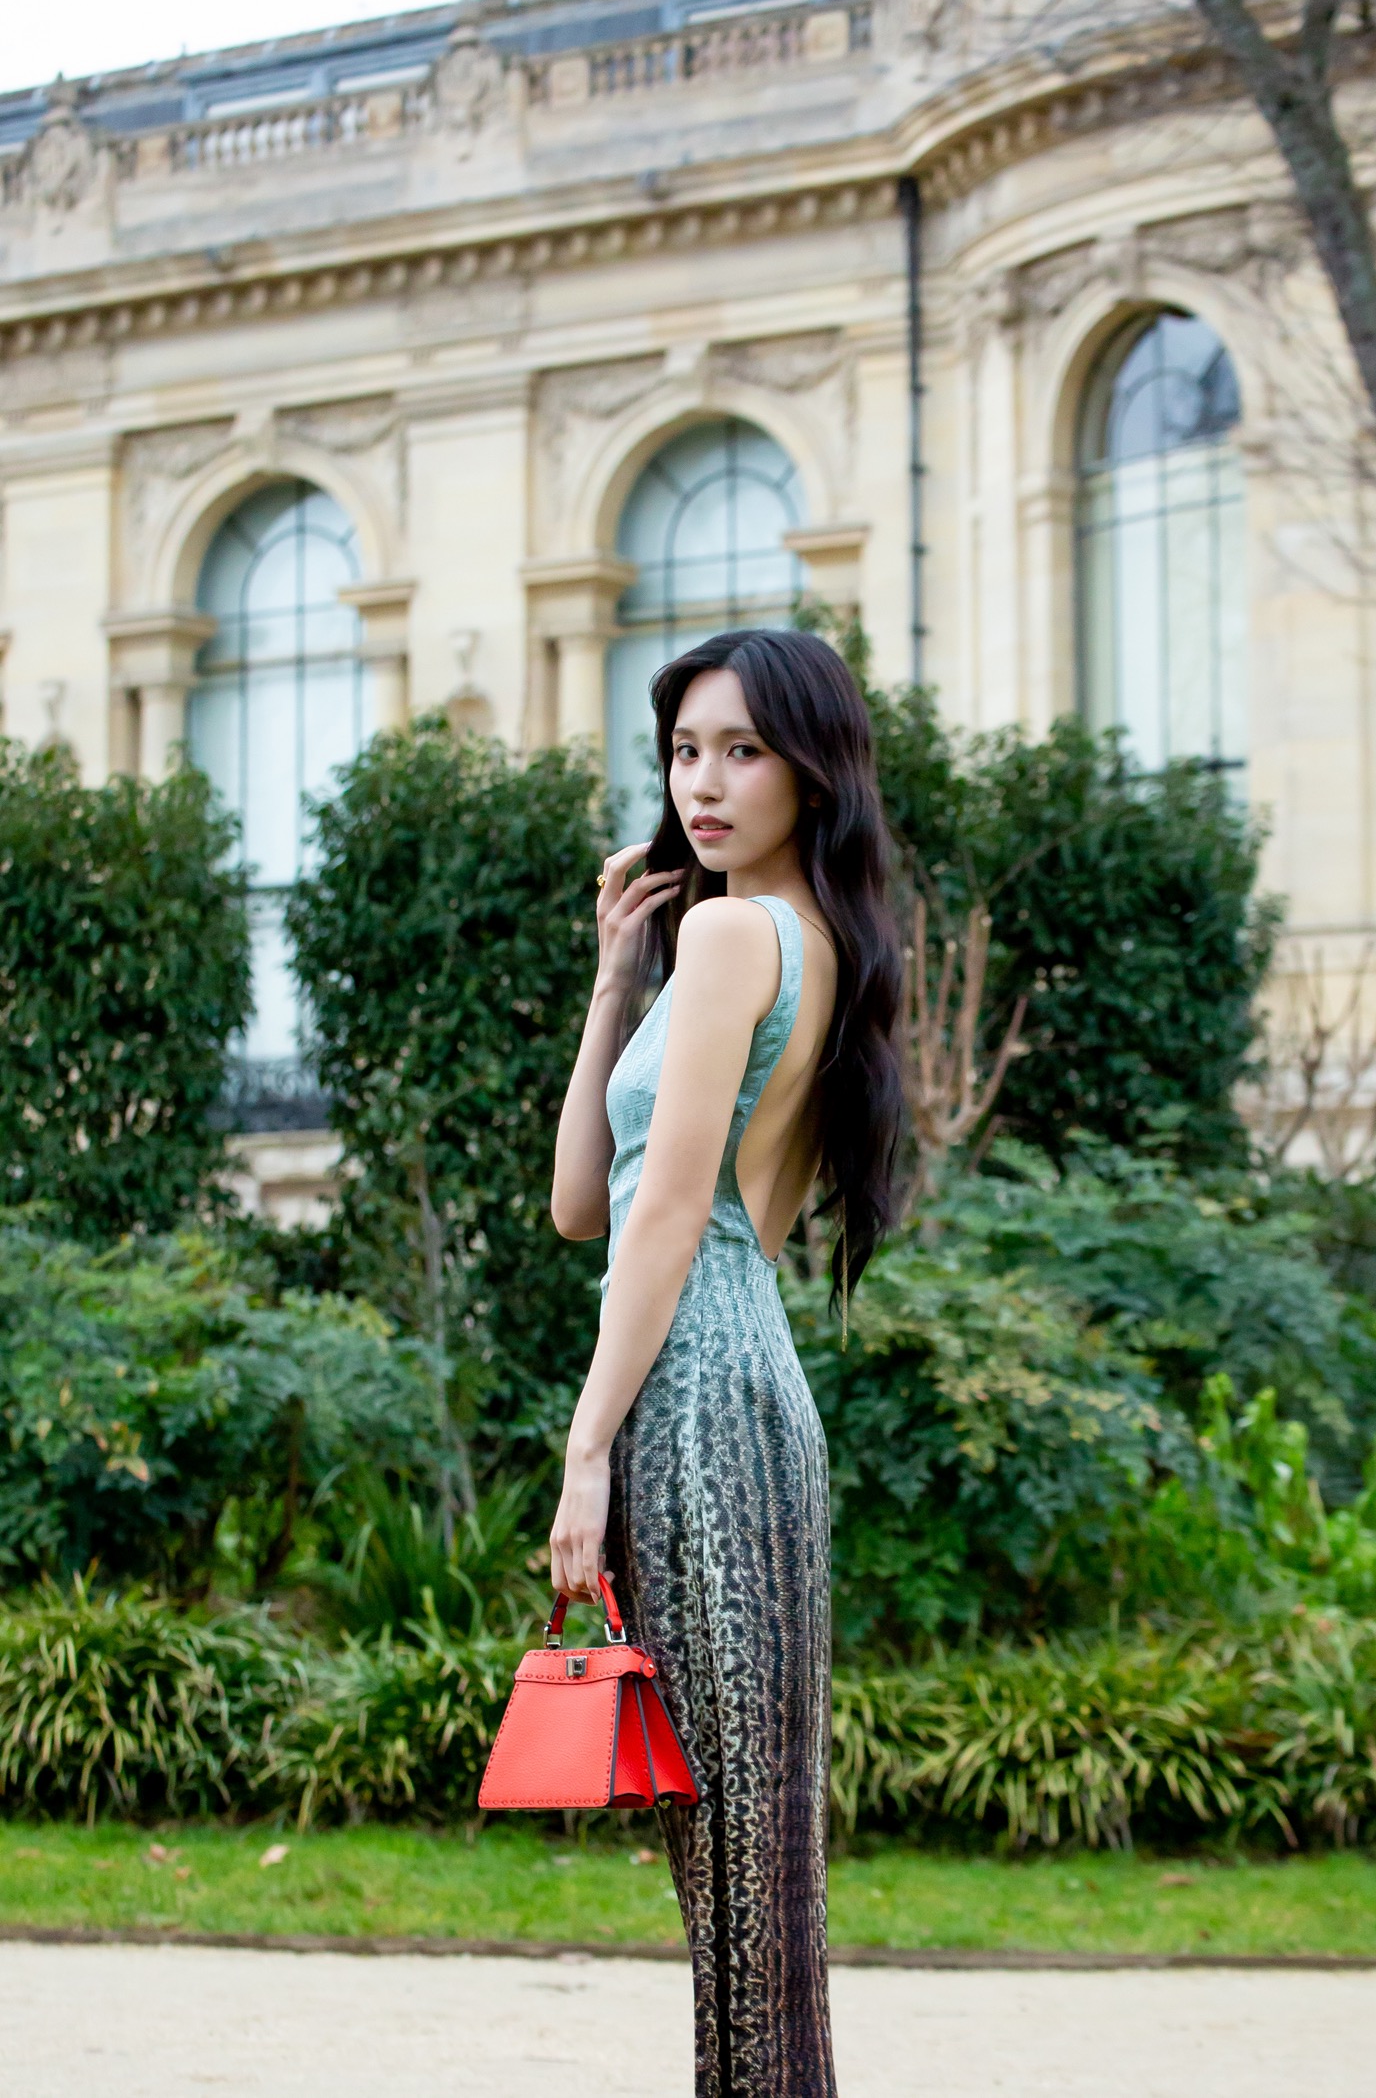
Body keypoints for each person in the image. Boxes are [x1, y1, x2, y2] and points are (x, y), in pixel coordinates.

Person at [548, 626, 904, 2098]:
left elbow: (668, 1217)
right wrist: (608, 985)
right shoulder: (805, 940)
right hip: (746, 1398)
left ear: (811, 773)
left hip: (696, 1403)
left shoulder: (736, 936)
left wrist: (586, 1447)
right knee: (753, 1896)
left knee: (739, 1906)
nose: (702, 782)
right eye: (685, 750)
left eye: (744, 750)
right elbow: (582, 1204)